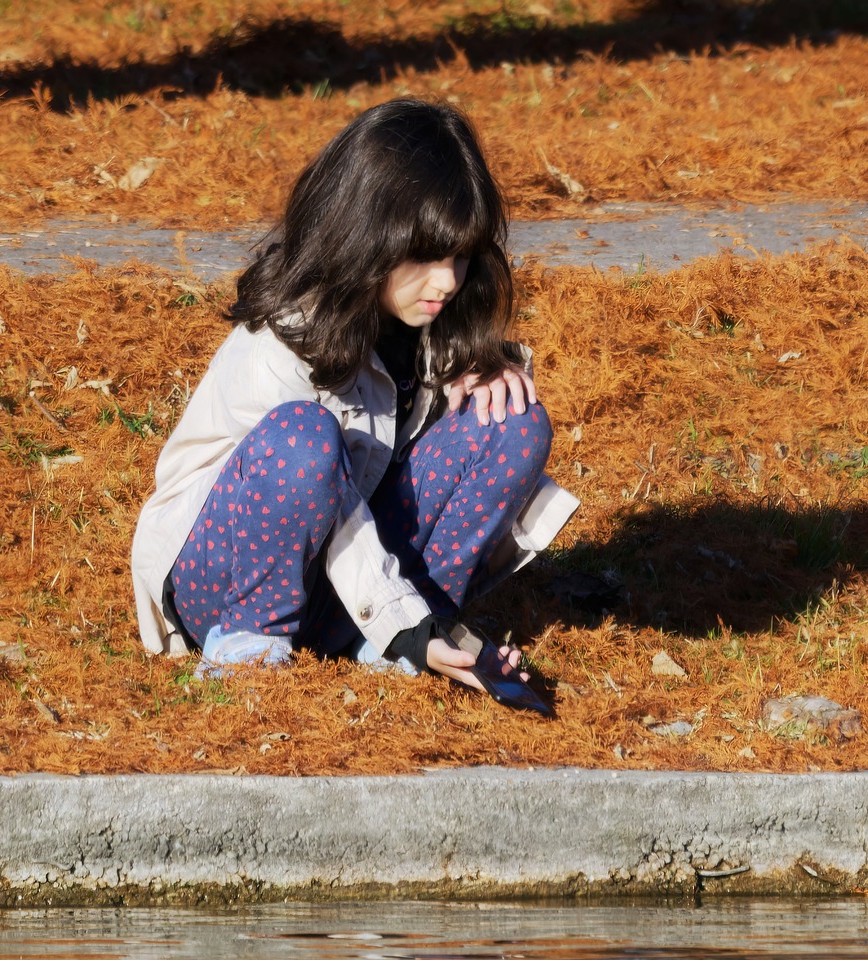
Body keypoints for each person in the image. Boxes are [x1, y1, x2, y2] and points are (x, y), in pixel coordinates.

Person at [130, 98, 578, 697]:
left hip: (346, 588)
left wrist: (489, 369)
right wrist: (406, 629)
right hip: (225, 577)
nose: (446, 281)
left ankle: (395, 638)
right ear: (366, 237)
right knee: (304, 441)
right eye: (424, 254)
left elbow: (451, 430)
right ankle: (248, 653)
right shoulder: (281, 345)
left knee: (513, 423)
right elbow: (328, 496)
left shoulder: (426, 324)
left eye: (460, 255)